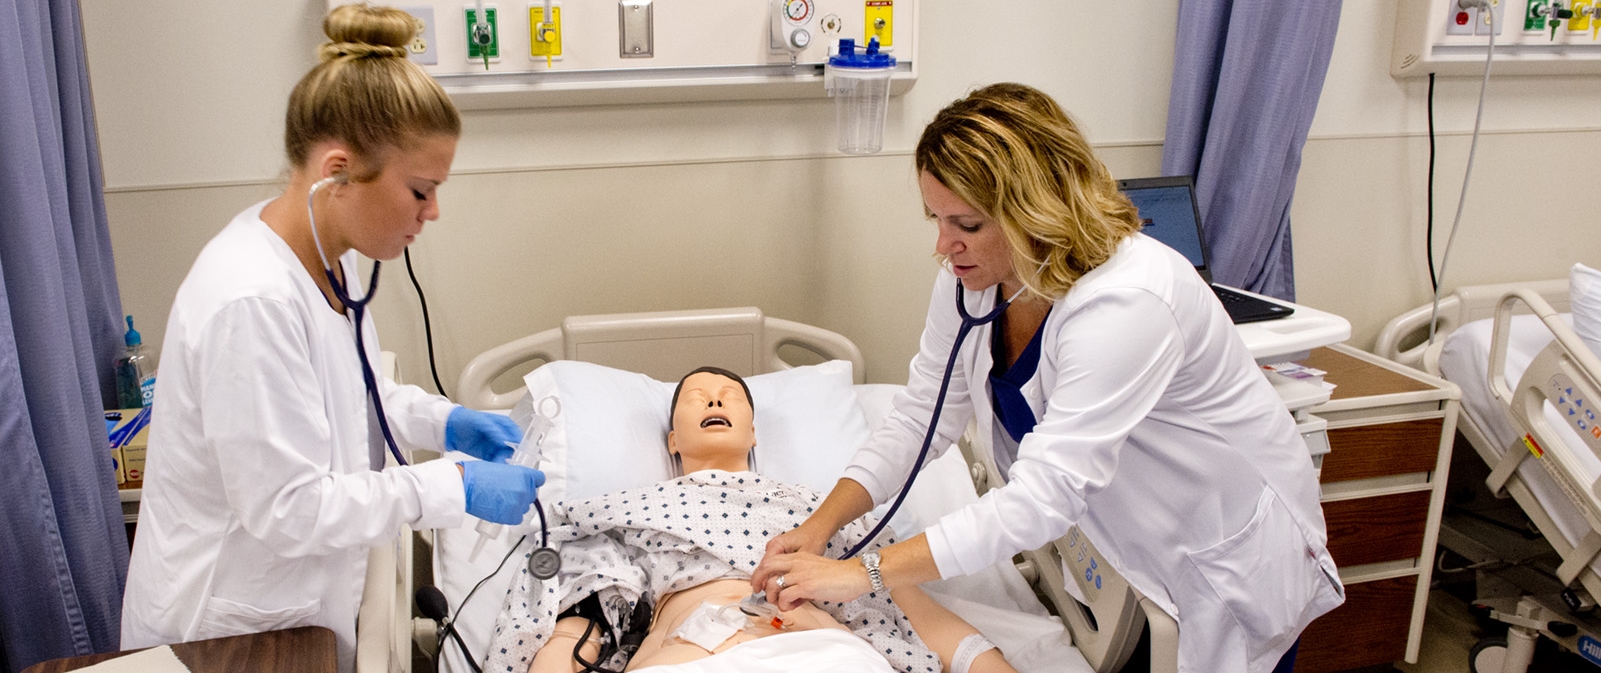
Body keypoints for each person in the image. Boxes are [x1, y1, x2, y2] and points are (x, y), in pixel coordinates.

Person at [751, 83, 1344, 673]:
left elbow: (1045, 495)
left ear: (1036, 211)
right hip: (1123, 539)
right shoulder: (974, 279)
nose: (943, 245)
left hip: (1219, 548)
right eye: (936, 218)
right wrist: (819, 525)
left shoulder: (1127, 302)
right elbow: (920, 417)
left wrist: (863, 572)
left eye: (967, 223)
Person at [119, 6, 544, 671]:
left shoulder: (326, 256)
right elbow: (288, 507)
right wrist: (450, 486)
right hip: (223, 635)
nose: (433, 212)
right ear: (339, 171)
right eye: (421, 189)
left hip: (289, 616)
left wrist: (445, 420)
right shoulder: (250, 300)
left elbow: (355, 393)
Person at [489, 368, 1015, 673]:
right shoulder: (627, 513)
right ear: (673, 441)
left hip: (826, 659)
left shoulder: (824, 514)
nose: (714, 398)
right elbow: (576, 631)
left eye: (730, 397)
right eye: (696, 398)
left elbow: (921, 616)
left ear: (755, 433)